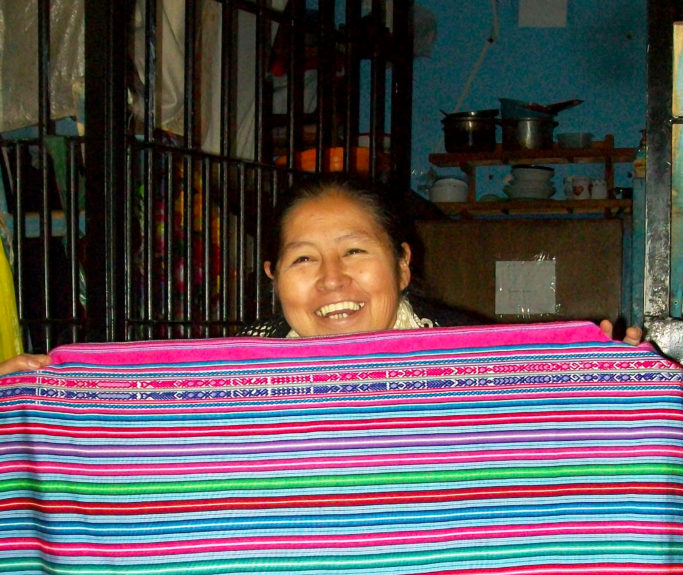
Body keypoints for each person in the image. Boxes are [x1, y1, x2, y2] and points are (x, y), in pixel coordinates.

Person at [0, 175, 641, 370]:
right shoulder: (227, 378)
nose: (332, 280)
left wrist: (611, 381)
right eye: (304, 259)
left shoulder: (485, 364)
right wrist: (51, 392)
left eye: (355, 251)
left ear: (402, 261)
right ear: (273, 275)